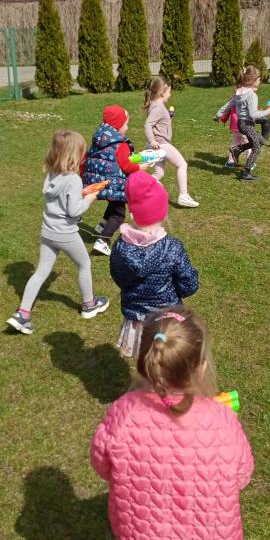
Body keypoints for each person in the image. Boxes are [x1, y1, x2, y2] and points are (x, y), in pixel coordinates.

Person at [91, 307, 254, 540]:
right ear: (201, 365)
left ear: (145, 363)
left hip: (148, 525)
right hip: (205, 530)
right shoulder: (221, 420)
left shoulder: (125, 412)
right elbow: (242, 473)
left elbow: (102, 463)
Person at [6, 130, 109, 335]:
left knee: (40, 272)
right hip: (66, 233)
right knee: (84, 264)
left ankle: (22, 315)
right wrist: (89, 199)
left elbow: (62, 198)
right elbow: (74, 211)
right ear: (75, 155)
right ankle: (89, 305)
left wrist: (80, 194)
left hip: (48, 232)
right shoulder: (74, 180)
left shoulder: (52, 174)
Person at [109, 171, 199, 358]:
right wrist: (178, 289)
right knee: (167, 362)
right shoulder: (172, 247)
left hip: (136, 319)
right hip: (166, 322)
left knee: (145, 361)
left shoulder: (119, 247)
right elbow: (189, 284)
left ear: (133, 214)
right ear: (163, 213)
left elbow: (118, 277)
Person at [82, 105, 145, 257]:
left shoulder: (100, 138)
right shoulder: (120, 143)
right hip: (113, 182)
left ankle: (102, 226)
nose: (127, 127)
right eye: (126, 124)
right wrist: (140, 167)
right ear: (118, 125)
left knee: (114, 204)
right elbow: (126, 165)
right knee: (119, 214)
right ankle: (103, 240)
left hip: (98, 180)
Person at [144, 77, 199, 207]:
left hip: (158, 144)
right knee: (182, 164)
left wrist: (169, 117)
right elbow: (148, 124)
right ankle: (183, 196)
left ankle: (144, 184)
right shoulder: (158, 107)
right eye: (169, 91)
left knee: (159, 173)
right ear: (162, 92)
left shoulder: (155, 105)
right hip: (161, 144)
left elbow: (159, 124)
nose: (170, 94)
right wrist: (152, 140)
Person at [214, 67, 270, 181]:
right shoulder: (252, 95)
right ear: (252, 80)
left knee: (258, 141)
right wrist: (269, 111)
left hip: (240, 123)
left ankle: (237, 149)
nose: (260, 80)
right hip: (248, 124)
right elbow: (253, 115)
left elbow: (228, 105)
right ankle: (246, 172)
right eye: (259, 78)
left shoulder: (239, 92)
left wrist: (218, 114)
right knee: (257, 147)